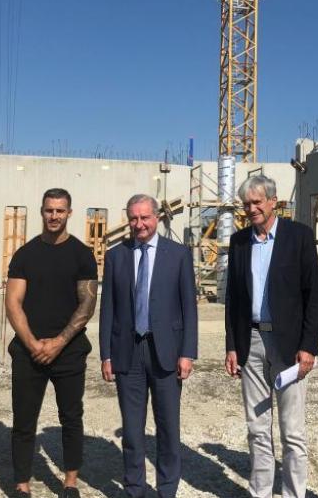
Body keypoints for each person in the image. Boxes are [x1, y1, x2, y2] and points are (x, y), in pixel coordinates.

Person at [224, 175, 318, 498]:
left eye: (256, 202)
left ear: (273, 202)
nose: (251, 209)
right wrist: (232, 346)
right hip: (250, 343)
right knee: (257, 427)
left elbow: (313, 296)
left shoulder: (299, 237)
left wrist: (309, 346)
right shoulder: (239, 242)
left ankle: (294, 493)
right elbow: (233, 300)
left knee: (292, 431)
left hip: (290, 346)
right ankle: (260, 492)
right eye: (246, 204)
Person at [99, 194, 197, 498]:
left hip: (166, 352)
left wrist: (187, 352)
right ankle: (135, 490)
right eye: (133, 218)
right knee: (131, 431)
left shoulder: (178, 254)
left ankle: (167, 490)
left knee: (168, 429)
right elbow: (108, 310)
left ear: (156, 218)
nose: (139, 224)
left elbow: (188, 306)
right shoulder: (116, 255)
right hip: (128, 353)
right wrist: (106, 355)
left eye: (145, 217)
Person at [5, 188, 99, 498]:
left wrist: (58, 342)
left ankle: (70, 481)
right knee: (24, 419)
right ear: (42, 211)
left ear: (69, 212)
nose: (54, 215)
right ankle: (21, 484)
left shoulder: (82, 255)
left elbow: (86, 305)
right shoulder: (25, 254)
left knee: (71, 417)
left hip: (69, 352)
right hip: (28, 352)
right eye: (49, 210)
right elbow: (13, 303)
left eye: (60, 210)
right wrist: (32, 343)